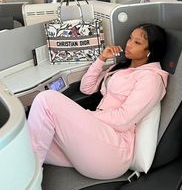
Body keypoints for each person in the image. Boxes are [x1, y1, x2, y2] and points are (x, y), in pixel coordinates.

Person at [27, 23, 168, 180]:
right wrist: (101, 59)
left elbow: (123, 120)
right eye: (130, 38)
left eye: (137, 42)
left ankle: (31, 179)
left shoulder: (152, 78)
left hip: (114, 149)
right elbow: (87, 88)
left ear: (150, 51)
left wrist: (87, 116)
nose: (128, 44)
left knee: (46, 99)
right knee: (26, 139)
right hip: (96, 138)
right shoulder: (122, 68)